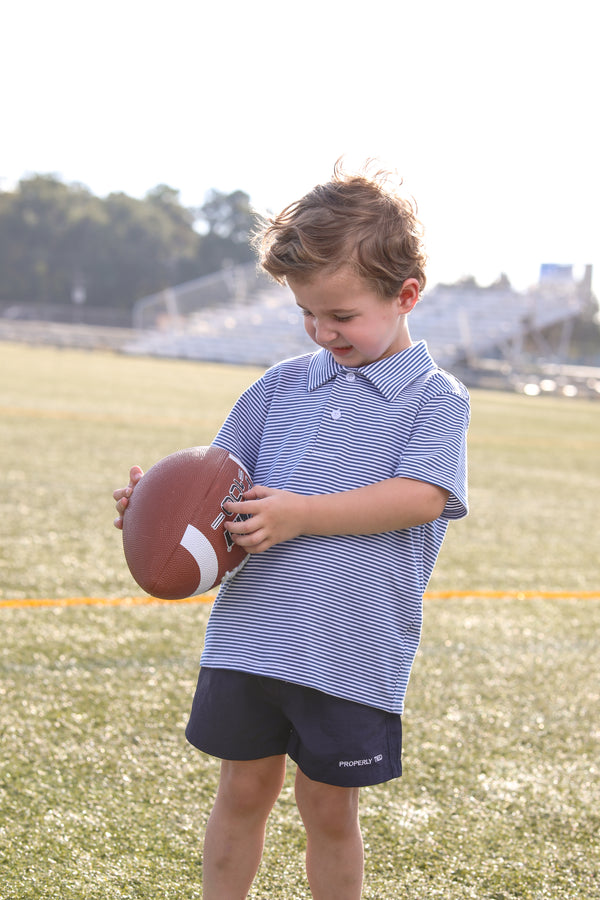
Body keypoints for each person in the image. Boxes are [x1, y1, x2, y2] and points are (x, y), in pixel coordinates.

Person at [113, 160, 470, 899]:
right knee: (241, 793)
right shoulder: (280, 384)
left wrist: (302, 513)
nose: (321, 330)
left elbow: (422, 497)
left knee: (327, 807)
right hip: (251, 637)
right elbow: (217, 481)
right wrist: (157, 504)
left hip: (346, 648)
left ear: (406, 296)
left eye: (341, 316)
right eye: (308, 313)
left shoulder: (437, 399)